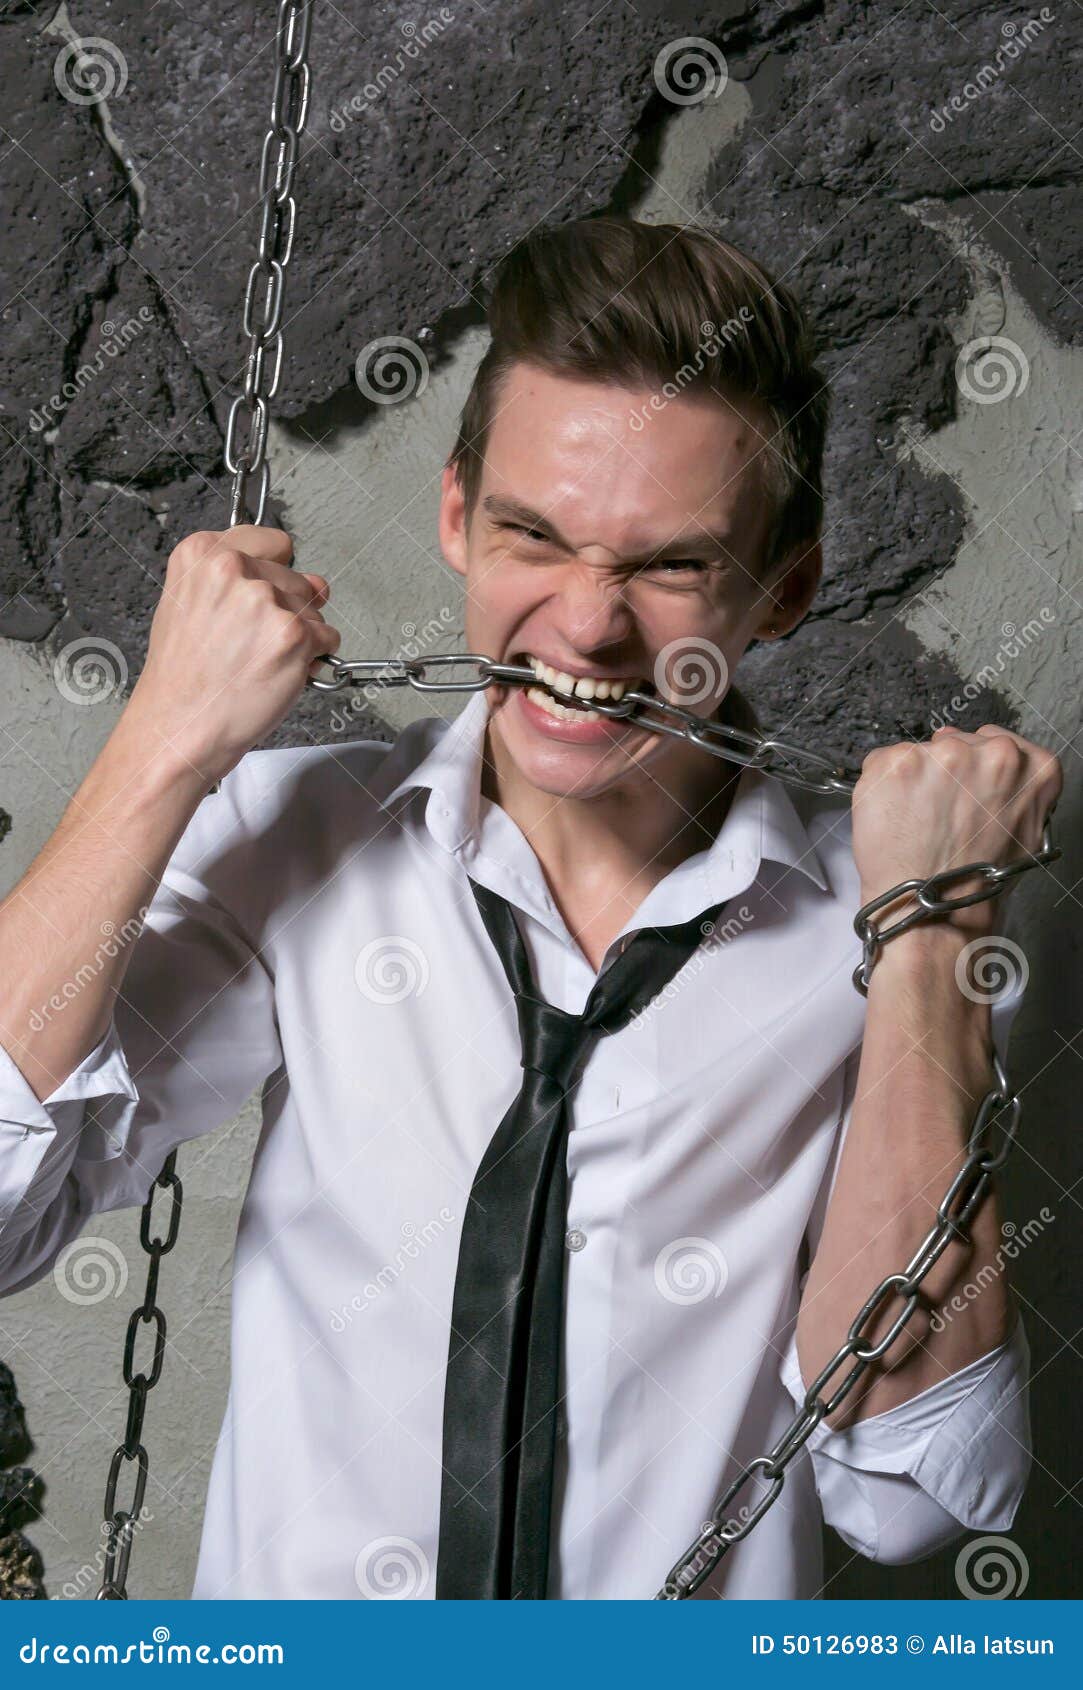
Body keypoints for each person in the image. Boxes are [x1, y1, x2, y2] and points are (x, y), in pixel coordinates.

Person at [0, 217, 1062, 1600]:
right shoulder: (302, 839)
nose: (585, 625)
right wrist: (161, 744)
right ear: (456, 515)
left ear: (785, 586)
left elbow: (913, 1491)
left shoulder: (892, 936)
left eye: (671, 565)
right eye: (533, 536)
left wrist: (934, 937)